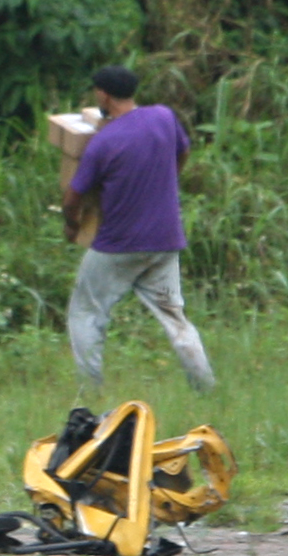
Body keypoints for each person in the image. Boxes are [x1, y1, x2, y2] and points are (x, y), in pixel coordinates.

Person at [62, 64, 216, 393]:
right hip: (165, 240)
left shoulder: (103, 142)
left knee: (86, 312)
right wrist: (169, 180)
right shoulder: (163, 117)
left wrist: (71, 227)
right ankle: (205, 388)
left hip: (118, 244)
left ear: (103, 95)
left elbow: (73, 196)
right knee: (175, 318)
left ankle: (89, 395)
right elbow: (184, 151)